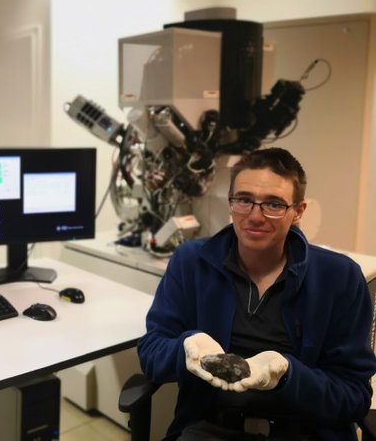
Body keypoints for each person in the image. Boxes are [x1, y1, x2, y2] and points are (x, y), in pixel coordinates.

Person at [137, 147, 376, 441]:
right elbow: (151, 353)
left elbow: (353, 396)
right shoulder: (192, 263)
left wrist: (288, 375)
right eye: (244, 200)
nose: (255, 216)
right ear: (230, 203)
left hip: (304, 430)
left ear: (298, 211)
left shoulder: (339, 278)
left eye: (274, 204)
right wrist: (184, 351)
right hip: (212, 427)